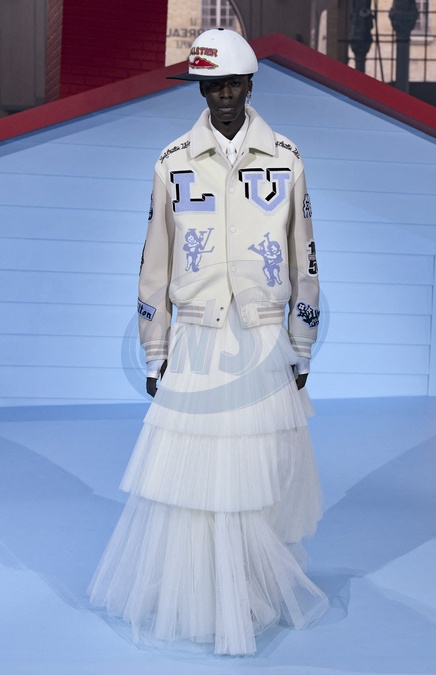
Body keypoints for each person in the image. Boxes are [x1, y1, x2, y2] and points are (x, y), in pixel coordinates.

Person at [88, 28, 328, 656]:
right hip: (195, 339)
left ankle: (248, 589)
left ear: (250, 85)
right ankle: (204, 596)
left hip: (263, 340)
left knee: (261, 469)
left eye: (232, 84)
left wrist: (301, 341)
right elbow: (153, 266)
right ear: (200, 89)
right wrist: (155, 348)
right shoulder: (172, 162)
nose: (222, 96)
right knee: (194, 479)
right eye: (210, 86)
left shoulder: (286, 158)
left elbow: (305, 258)